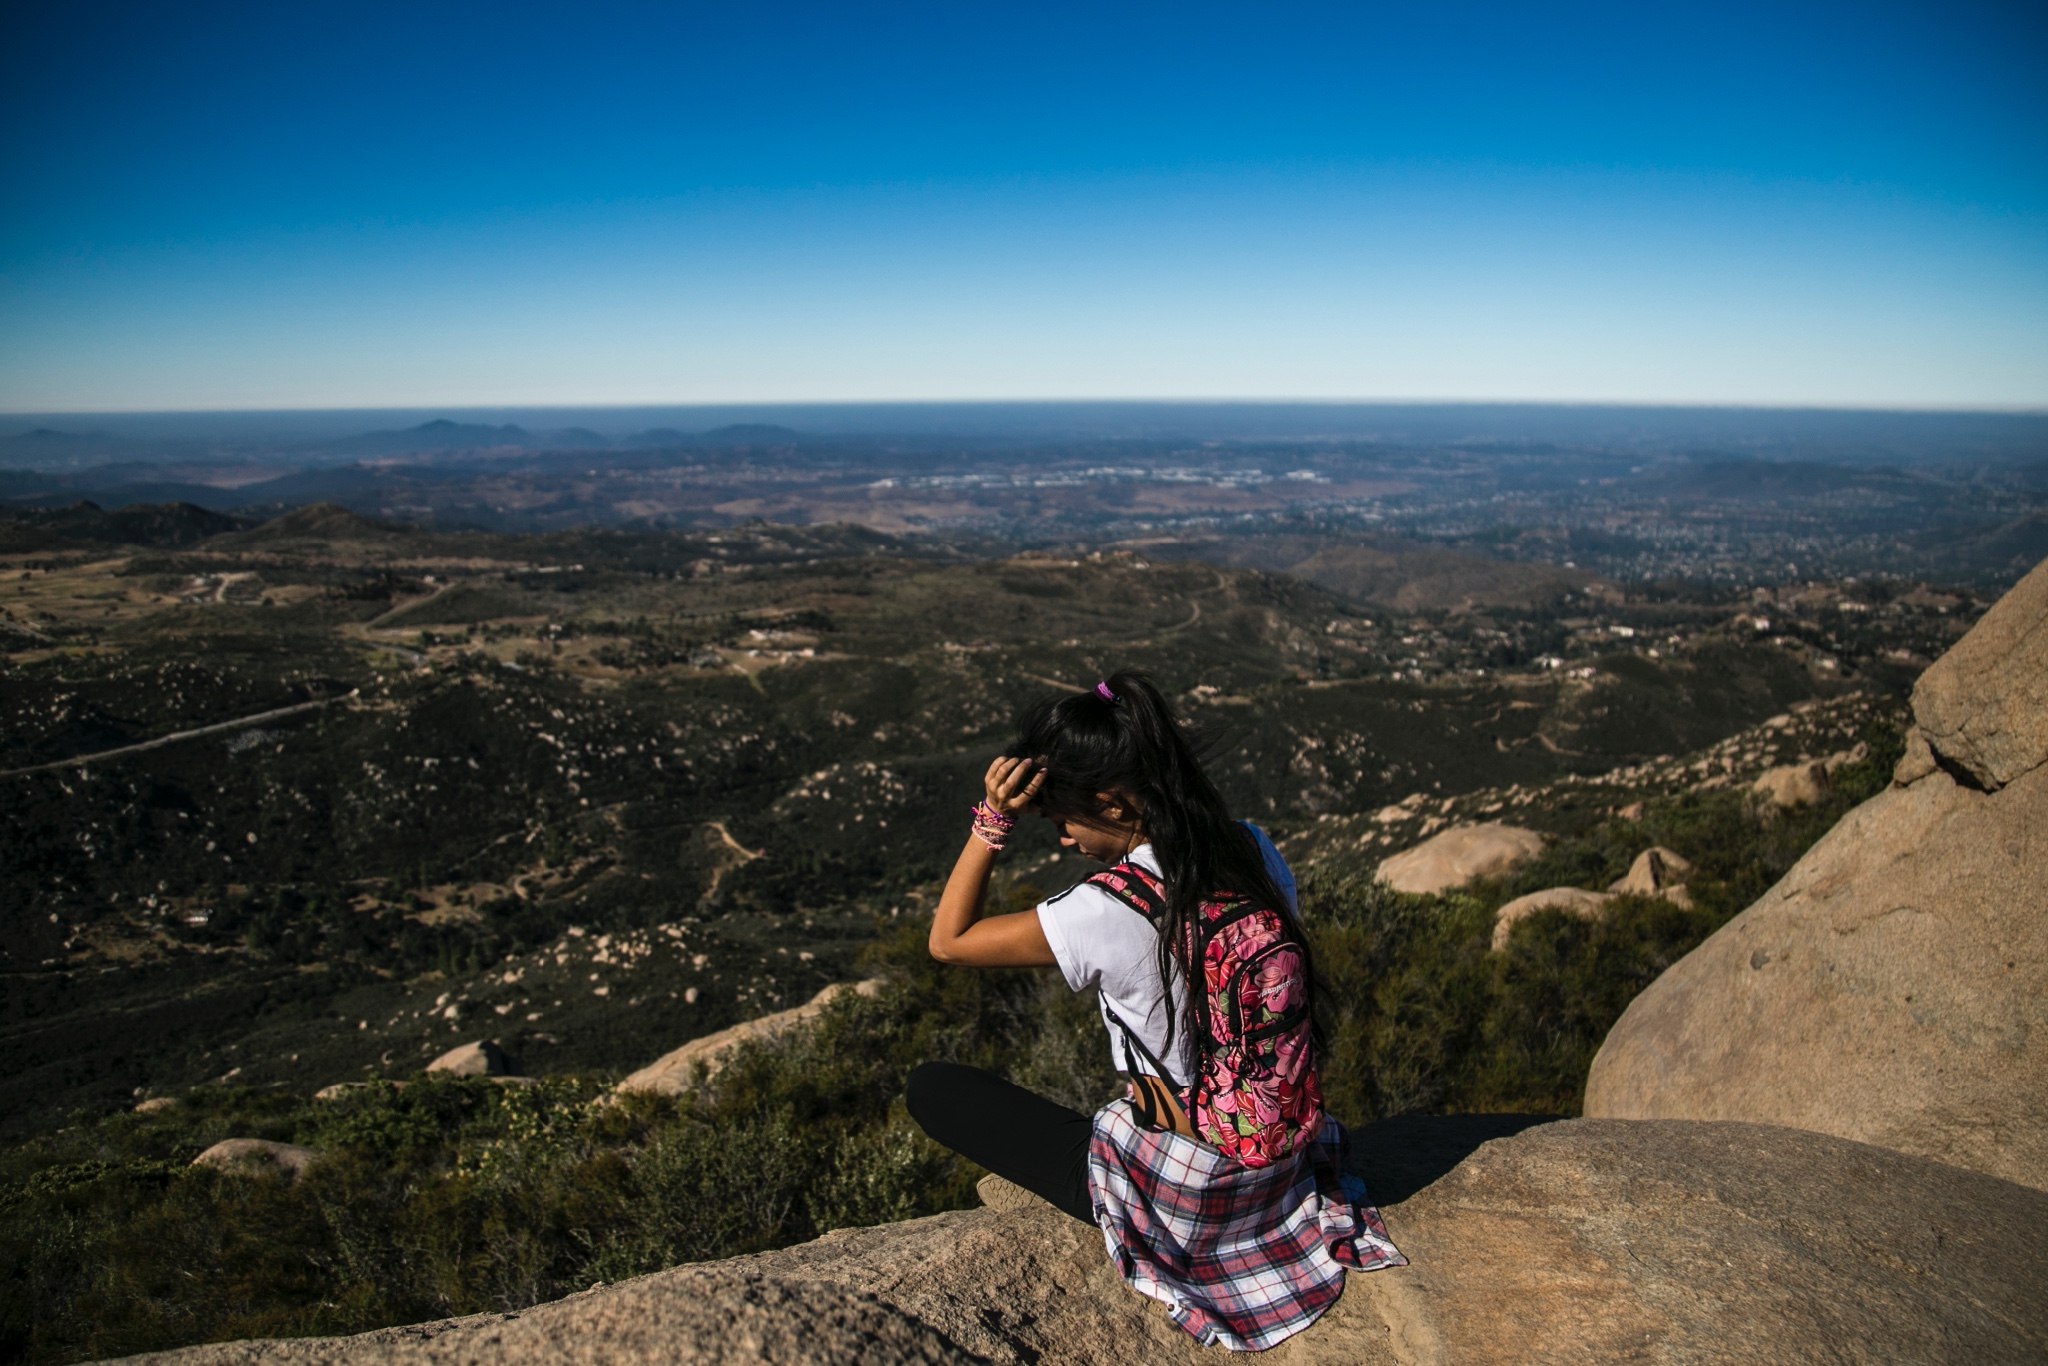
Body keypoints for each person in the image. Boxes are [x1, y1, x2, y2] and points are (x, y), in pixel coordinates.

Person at [906, 671, 1404, 1352]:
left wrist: (994, 820)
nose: (1063, 842)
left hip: (1185, 1196)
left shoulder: (1103, 906)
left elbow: (948, 942)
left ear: (1112, 802)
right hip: (1281, 1171)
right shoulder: (1252, 846)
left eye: (1063, 821)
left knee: (932, 1087)